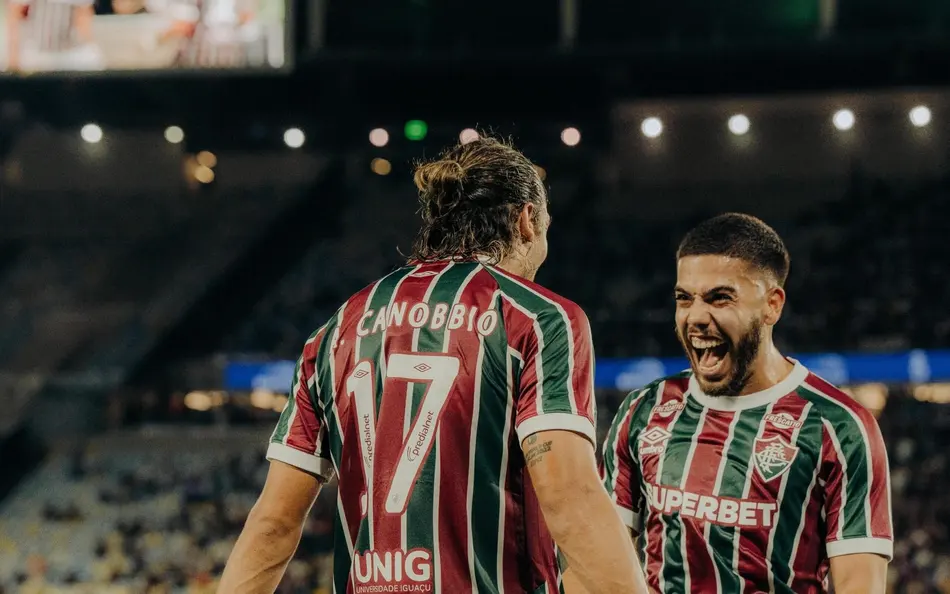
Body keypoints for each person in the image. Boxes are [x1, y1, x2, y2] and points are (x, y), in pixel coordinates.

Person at [219, 136, 647, 594]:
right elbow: (571, 499)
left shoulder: (334, 331)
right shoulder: (537, 318)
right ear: (527, 221)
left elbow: (273, 522)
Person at [601, 212, 893, 594]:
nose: (696, 317)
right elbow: (602, 561)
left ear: (772, 305)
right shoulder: (645, 409)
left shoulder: (838, 427)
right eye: (684, 299)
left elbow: (859, 586)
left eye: (720, 298)